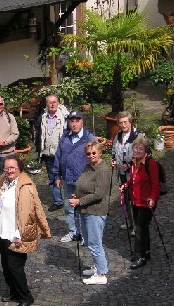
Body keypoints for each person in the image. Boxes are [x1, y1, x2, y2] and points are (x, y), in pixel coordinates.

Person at [0, 155, 51, 306]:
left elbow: (29, 212)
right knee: (6, 265)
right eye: (6, 168)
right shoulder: (3, 182)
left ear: (19, 169)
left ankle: (26, 297)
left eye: (12, 168)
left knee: (15, 267)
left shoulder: (26, 187)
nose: (9, 170)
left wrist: (20, 235)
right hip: (3, 231)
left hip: (16, 233)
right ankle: (13, 292)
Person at [69, 141, 111, 285]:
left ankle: (101, 274)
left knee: (95, 243)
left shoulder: (103, 170)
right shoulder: (88, 167)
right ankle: (97, 267)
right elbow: (82, 185)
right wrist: (76, 194)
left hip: (96, 211)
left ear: (100, 153)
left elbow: (98, 194)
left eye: (94, 153)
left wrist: (79, 201)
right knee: (88, 241)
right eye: (88, 153)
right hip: (85, 210)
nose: (91, 156)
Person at [52, 111, 95, 243]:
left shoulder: (89, 138)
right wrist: (57, 176)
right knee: (69, 206)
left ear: (82, 122)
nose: (74, 124)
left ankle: (85, 234)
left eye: (77, 121)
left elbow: (96, 160)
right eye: (72, 121)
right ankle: (73, 232)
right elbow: (58, 157)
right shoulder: (65, 137)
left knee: (83, 207)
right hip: (68, 178)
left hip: (84, 180)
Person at [119, 135, 160, 269]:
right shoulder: (134, 162)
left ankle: (139, 256)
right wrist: (126, 185)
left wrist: (153, 199)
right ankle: (146, 251)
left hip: (147, 202)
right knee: (142, 227)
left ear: (145, 150)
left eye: (140, 149)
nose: (137, 151)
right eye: (135, 148)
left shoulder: (150, 164)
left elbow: (155, 184)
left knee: (139, 229)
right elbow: (132, 179)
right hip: (136, 200)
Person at [36, 94, 69, 212]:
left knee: (66, 177)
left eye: (54, 102)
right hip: (48, 154)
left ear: (58, 103)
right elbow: (39, 136)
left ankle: (69, 199)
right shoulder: (42, 117)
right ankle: (58, 201)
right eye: (50, 102)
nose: (52, 104)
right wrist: (39, 151)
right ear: (46, 104)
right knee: (52, 178)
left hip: (63, 154)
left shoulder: (65, 117)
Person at [111, 111, 139, 236]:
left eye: (125, 122)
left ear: (130, 122)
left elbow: (144, 156)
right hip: (121, 173)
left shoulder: (138, 136)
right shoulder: (118, 136)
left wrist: (131, 164)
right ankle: (129, 220)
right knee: (125, 198)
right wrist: (113, 160)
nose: (123, 125)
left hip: (134, 175)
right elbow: (113, 150)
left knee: (134, 199)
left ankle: (136, 225)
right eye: (120, 123)